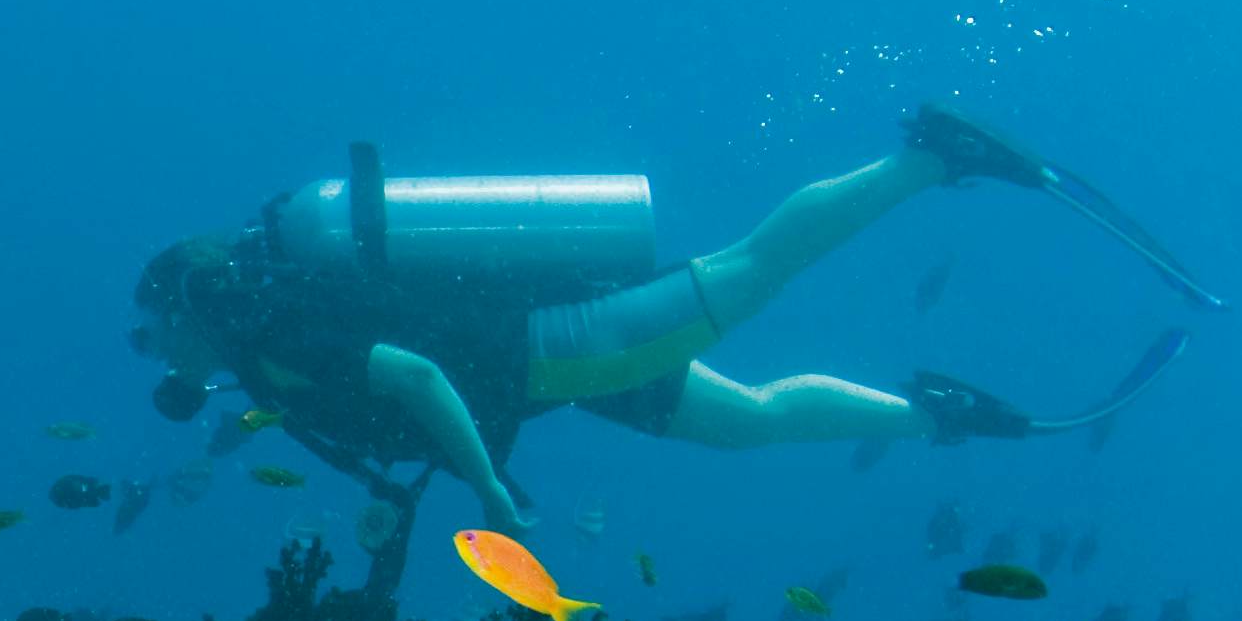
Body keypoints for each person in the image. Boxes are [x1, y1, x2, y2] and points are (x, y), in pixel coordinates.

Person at [133, 106, 1110, 532]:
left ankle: (934, 157)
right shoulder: (265, 341)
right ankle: (937, 414)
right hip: (546, 369)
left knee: (751, 265)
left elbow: (417, 378)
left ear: (184, 303)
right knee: (747, 423)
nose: (155, 352)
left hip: (557, 352)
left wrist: (487, 489)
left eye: (152, 328)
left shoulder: (274, 328)